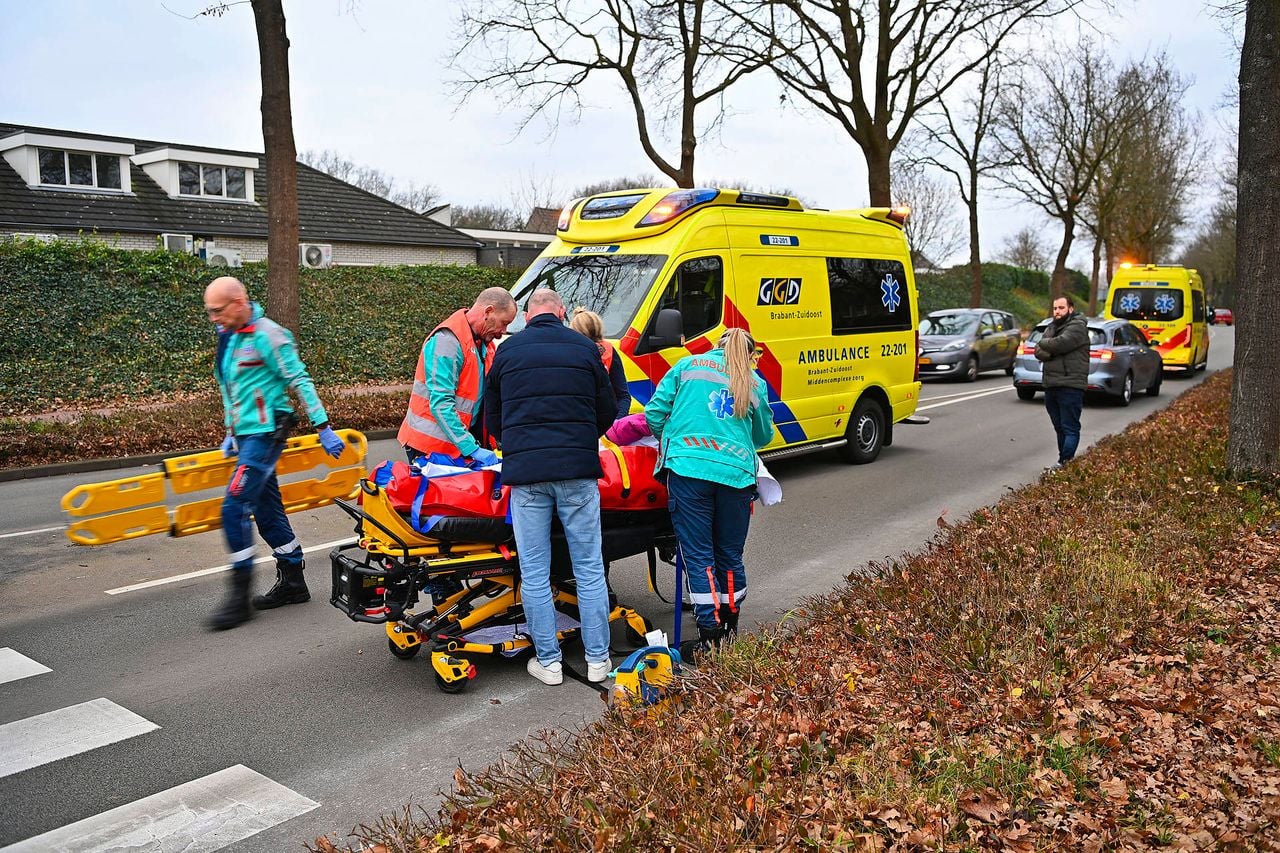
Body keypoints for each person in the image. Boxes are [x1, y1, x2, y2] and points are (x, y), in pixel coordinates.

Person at [484, 289, 618, 686]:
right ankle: (598, 660)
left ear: (527, 315)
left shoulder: (507, 352)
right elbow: (607, 410)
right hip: (577, 472)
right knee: (589, 569)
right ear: (561, 312)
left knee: (536, 573)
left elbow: (492, 416)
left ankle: (549, 662)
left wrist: (517, 445)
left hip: (527, 476)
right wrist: (581, 440)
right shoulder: (586, 349)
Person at [203, 276, 347, 631]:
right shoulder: (229, 339)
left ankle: (238, 600)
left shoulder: (270, 334)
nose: (213, 318)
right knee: (265, 507)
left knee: (233, 507)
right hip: (246, 435)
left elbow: (299, 379)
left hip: (267, 434)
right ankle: (293, 582)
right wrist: (229, 430)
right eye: (209, 312)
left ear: (239, 302)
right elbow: (229, 388)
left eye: (218, 311)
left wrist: (323, 426)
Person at [644, 327, 774, 659]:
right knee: (729, 554)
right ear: (748, 354)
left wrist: (673, 439)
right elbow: (763, 437)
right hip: (736, 477)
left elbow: (654, 414)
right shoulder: (755, 384)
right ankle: (730, 625)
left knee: (699, 555)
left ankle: (709, 635)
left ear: (717, 346)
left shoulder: (687, 367)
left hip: (688, 472)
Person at [398, 287, 517, 465]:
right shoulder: (447, 340)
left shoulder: (483, 343)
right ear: (488, 312)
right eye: (504, 323)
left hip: (455, 446)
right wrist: (472, 448)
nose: (503, 331)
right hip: (430, 448)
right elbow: (441, 404)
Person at [1035, 295, 1090, 469]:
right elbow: (1038, 351)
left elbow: (1061, 343)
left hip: (1070, 385)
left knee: (1070, 427)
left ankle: (1064, 462)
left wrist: (1046, 344)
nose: (1057, 312)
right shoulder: (1052, 327)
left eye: (1061, 308)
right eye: (1055, 309)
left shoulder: (1077, 327)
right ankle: (1064, 462)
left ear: (1070, 309)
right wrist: (1049, 350)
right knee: (1059, 426)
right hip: (1051, 384)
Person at [569, 307, 632, 421]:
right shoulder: (609, 350)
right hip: (603, 423)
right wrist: (615, 423)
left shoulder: (568, 353)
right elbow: (623, 396)